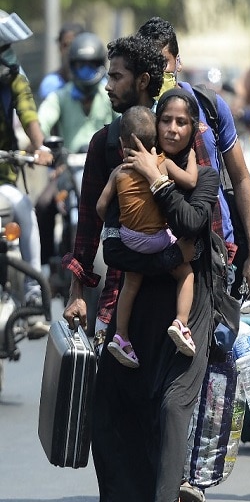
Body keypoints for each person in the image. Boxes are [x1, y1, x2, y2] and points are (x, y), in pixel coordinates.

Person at [135, 16, 250, 502]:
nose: (156, 73)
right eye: (148, 65)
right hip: (147, 261)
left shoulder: (208, 108)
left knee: (202, 370)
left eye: (162, 61)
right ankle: (159, 485)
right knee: (150, 378)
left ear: (176, 60)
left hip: (212, 254)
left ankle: (189, 480)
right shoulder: (136, 119)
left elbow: (238, 177)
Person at [88, 87, 218, 502]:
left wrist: (158, 178)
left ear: (194, 127)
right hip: (142, 306)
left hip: (190, 306)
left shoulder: (202, 176)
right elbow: (115, 246)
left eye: (183, 122)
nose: (174, 129)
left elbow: (190, 224)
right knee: (128, 406)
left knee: (172, 405)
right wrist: (159, 259)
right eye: (167, 121)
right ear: (156, 123)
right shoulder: (128, 169)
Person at [61, 35, 166, 349]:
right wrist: (76, 292)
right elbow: (89, 226)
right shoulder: (104, 142)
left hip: (173, 293)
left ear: (143, 81)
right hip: (118, 294)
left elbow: (204, 209)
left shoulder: (177, 134)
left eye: (117, 77)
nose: (107, 85)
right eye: (109, 76)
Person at [96, 106, 198, 367]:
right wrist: (194, 159)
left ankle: (121, 335)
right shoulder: (162, 163)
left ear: (121, 143)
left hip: (129, 238)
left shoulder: (118, 171)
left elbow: (100, 207)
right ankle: (182, 323)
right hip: (158, 239)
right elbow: (189, 182)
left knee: (130, 284)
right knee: (186, 272)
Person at [37, 31, 116, 273]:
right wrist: (41, 146)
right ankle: (45, 266)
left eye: (91, 65)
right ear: (72, 66)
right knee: (43, 205)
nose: (85, 71)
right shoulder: (60, 97)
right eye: (80, 66)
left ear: (101, 66)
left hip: (103, 171)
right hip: (67, 168)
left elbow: (123, 123)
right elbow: (41, 122)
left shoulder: (109, 95)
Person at [0, 10, 54, 337]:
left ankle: (32, 289)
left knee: (25, 210)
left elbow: (29, 112)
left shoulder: (15, 77)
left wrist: (40, 147)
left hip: (3, 179)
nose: (8, 52)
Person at [38, 22, 84, 101]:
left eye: (73, 45)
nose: (69, 51)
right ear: (59, 47)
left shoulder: (96, 82)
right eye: (65, 45)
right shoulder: (51, 84)